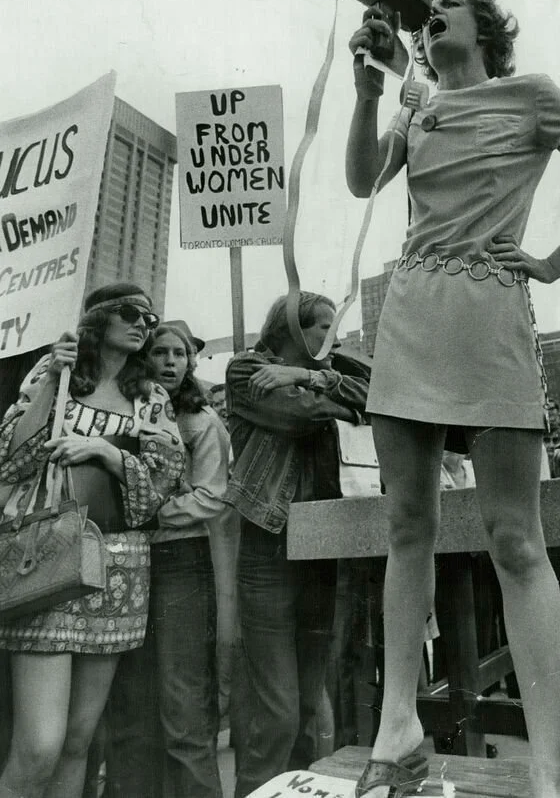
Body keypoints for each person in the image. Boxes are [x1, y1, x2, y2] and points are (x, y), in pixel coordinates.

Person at [345, 0, 560, 798]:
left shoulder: (533, 94)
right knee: (408, 524)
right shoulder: (418, 105)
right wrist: (367, 95)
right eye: (428, 10)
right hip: (411, 316)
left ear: (487, 29)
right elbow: (362, 180)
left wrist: (551, 264)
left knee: (516, 538)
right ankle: (397, 727)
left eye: (449, 3)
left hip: (491, 316)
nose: (430, 14)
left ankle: (545, 766)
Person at [0, 283, 185, 798]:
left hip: (120, 569)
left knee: (79, 740)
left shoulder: (151, 396)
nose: (143, 324)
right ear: (97, 318)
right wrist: (50, 381)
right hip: (46, 557)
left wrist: (105, 451)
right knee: (39, 746)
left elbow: (164, 481)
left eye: (149, 318)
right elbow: (8, 459)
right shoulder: (53, 372)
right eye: (130, 312)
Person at [224, 291, 370, 798]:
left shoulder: (323, 370)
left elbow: (379, 393)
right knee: (278, 712)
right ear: (290, 327)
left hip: (322, 548)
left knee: (308, 707)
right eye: (322, 326)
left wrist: (309, 376)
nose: (333, 334)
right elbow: (299, 416)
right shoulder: (246, 369)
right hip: (269, 545)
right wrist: (336, 400)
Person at [101, 320, 230, 798]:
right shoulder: (128, 412)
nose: (170, 362)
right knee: (131, 698)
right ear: (144, 358)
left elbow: (212, 496)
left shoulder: (201, 420)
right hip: (129, 559)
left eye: (179, 354)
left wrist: (151, 511)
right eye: (160, 353)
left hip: (180, 559)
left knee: (183, 700)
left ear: (190, 362)